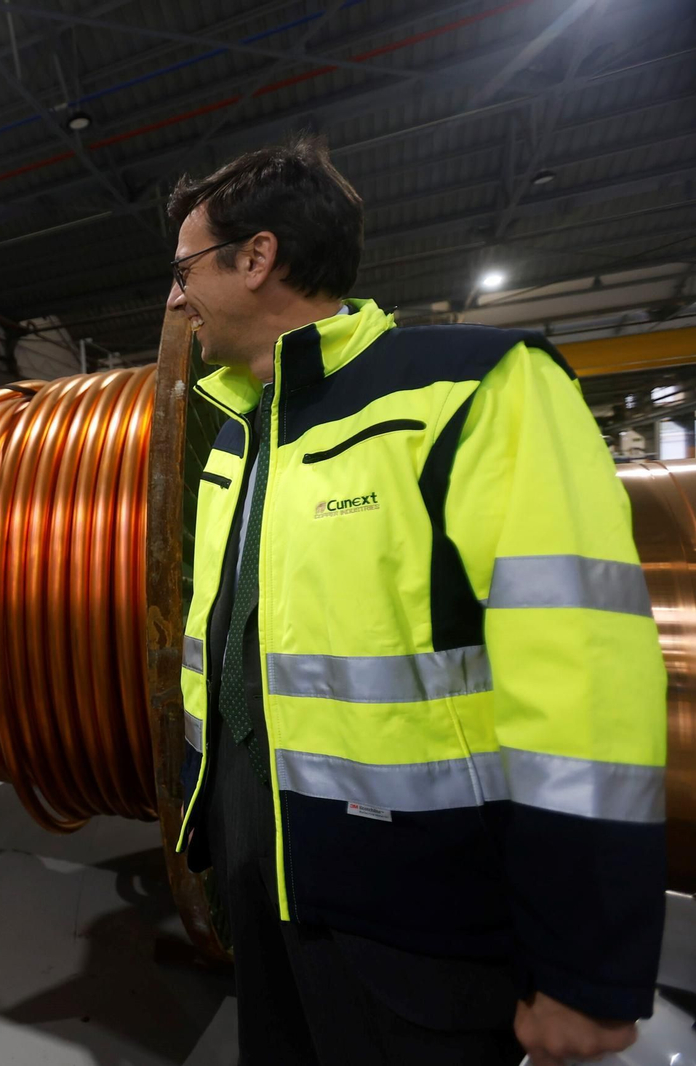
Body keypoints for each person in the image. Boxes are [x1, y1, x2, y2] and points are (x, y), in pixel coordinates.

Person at [168, 137, 666, 1066]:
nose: (175, 297)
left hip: (421, 938)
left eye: (186, 267)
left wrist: (583, 959)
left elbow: (583, 684)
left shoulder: (470, 391)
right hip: (267, 899)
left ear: (258, 256)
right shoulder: (238, 440)